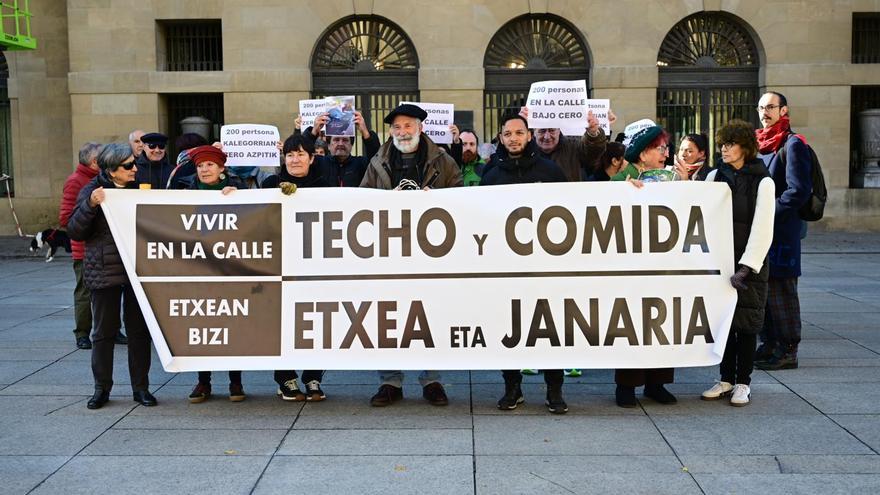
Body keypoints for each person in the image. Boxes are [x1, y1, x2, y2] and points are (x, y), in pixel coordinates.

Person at [360, 103, 462, 407]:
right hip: (388, 250)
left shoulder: (442, 160)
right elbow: (362, 199)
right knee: (387, 315)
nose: (402, 132)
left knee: (432, 313)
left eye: (408, 126)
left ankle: (432, 380)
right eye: (396, 127)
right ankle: (390, 381)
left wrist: (440, 201)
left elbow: (462, 197)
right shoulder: (377, 161)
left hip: (431, 251)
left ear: (420, 128)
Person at [481, 114, 569, 413]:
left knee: (551, 328)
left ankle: (554, 390)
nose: (514, 138)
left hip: (546, 265)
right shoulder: (490, 175)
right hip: (506, 268)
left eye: (519, 132)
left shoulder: (551, 171)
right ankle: (512, 387)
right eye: (508, 134)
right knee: (508, 326)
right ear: (501, 138)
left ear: (529, 135)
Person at [66, 143, 156, 410]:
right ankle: (101, 388)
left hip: (137, 271)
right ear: (111, 169)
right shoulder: (91, 190)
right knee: (103, 333)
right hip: (104, 270)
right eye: (128, 165)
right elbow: (74, 230)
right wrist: (91, 205)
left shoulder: (142, 187)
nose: (134, 169)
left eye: (134, 164)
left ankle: (141, 388)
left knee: (139, 333)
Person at [701, 120, 775, 406]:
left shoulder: (763, 181)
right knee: (724, 323)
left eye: (730, 144)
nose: (724, 148)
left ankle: (743, 382)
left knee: (746, 325)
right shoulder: (714, 176)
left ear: (745, 147)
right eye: (722, 143)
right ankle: (725, 379)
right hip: (720, 261)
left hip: (748, 265)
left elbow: (763, 227)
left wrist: (747, 266)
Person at [173, 145, 248, 403]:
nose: (204, 170)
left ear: (221, 168)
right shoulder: (184, 190)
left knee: (231, 322)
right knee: (202, 324)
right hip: (198, 268)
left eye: (209, 165)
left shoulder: (238, 189)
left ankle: (235, 382)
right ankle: (203, 381)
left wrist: (239, 198)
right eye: (200, 165)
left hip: (229, 267)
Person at [611, 125, 677, 407]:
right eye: (660, 148)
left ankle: (656, 383)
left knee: (661, 323)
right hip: (630, 267)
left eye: (666, 149)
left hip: (661, 263)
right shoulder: (621, 180)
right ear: (643, 153)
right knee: (630, 325)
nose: (665, 154)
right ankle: (626, 386)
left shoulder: (669, 178)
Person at [262, 133, 330, 402]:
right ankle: (285, 378)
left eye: (301, 154)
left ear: (312, 159)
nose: (294, 159)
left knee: (317, 320)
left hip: (315, 265)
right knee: (282, 321)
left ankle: (313, 377)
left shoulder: (323, 186)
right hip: (280, 263)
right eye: (290, 155)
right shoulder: (270, 183)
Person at [754, 91, 812, 370]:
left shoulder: (793, 145)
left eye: (771, 107)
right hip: (762, 233)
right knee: (765, 293)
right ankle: (770, 345)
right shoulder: (760, 145)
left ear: (784, 111)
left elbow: (798, 191)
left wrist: (769, 212)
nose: (765, 112)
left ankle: (788, 349)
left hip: (783, 234)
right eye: (762, 107)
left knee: (783, 293)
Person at [59, 142, 103, 350]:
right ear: (95, 162)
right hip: (83, 249)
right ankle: (83, 333)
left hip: (101, 247)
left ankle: (110, 330)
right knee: (85, 292)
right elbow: (65, 218)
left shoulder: (100, 179)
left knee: (106, 293)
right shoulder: (75, 181)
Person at [519, 107, 612, 182]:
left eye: (552, 130)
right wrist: (518, 125)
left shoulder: (574, 147)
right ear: (533, 132)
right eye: (542, 131)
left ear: (559, 130)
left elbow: (593, 153)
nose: (547, 136)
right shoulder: (523, 149)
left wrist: (593, 134)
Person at [306, 110, 380, 187]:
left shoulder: (361, 164)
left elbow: (377, 158)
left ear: (351, 145)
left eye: (345, 140)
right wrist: (313, 132)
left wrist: (365, 132)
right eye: (336, 140)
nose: (340, 144)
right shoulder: (319, 163)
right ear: (328, 145)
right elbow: (302, 152)